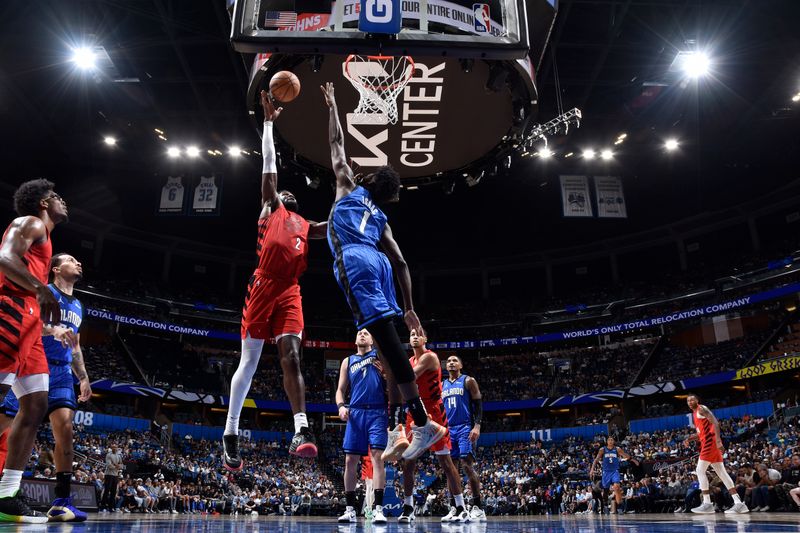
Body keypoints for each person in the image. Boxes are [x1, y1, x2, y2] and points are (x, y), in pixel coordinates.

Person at [320, 82, 445, 462]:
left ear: (370, 181)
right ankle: (400, 426)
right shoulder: (383, 218)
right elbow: (402, 262)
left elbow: (337, 146)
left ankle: (421, 422)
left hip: (356, 263)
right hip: (379, 264)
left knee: (388, 346)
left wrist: (332, 105)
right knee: (387, 347)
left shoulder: (347, 187)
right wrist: (408, 306)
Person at [223, 90, 328, 468]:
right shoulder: (272, 208)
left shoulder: (308, 227)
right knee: (249, 361)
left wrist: (361, 200)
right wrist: (269, 123)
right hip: (263, 285)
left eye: (288, 192)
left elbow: (338, 225)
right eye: (281, 189)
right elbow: (269, 166)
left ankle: (301, 428)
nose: (284, 191)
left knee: (293, 357)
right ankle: (230, 430)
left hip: (290, 291)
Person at [0, 253, 89, 521]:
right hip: (33, 362)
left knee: (65, 428)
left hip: (62, 371)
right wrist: (52, 330)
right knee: (5, 421)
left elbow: (75, 344)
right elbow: (26, 323)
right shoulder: (43, 291)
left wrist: (82, 376)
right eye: (73, 260)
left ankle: (61, 501)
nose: (79, 263)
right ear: (55, 269)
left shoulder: (79, 306)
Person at [0, 179, 66, 523]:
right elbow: (4, 257)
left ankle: (6, 493)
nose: (63, 201)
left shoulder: (46, 236)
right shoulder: (31, 222)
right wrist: (41, 288)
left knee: (37, 403)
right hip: (9, 310)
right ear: (43, 201)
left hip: (29, 324)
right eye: (57, 196)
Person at [398, 329, 470, 523]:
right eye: (411, 334)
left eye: (418, 334)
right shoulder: (409, 361)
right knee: (408, 461)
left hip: (435, 410)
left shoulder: (430, 357)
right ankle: (408, 508)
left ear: (425, 339)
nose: (414, 336)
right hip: (414, 410)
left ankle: (461, 508)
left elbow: (409, 376)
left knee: (446, 462)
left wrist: (389, 368)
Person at [335, 329, 388, 524]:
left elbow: (392, 380)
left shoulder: (379, 355)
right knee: (350, 460)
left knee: (377, 458)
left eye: (366, 333)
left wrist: (385, 372)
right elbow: (340, 390)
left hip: (377, 411)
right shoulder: (347, 361)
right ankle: (350, 510)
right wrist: (341, 407)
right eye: (359, 333)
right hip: (355, 412)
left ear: (372, 339)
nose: (362, 335)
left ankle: (378, 509)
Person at [684, 393, 749, 514]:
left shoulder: (702, 408)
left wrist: (718, 441)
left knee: (699, 470)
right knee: (722, 473)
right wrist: (689, 439)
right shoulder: (695, 414)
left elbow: (715, 422)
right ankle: (739, 503)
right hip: (708, 442)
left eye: (692, 400)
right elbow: (701, 434)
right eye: (688, 401)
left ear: (697, 400)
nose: (690, 402)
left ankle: (707, 504)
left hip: (711, 443)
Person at [442, 355, 486, 521]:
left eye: (454, 360)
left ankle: (477, 506)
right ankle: (455, 507)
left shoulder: (468, 380)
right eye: (449, 361)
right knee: (450, 470)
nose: (451, 362)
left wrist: (477, 426)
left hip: (465, 427)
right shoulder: (442, 385)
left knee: (467, 465)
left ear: (460, 364)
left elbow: (479, 404)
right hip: (448, 429)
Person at [589, 436, 638, 514]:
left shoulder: (617, 449)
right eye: (609, 440)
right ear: (607, 442)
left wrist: (633, 460)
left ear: (614, 441)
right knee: (605, 490)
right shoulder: (602, 449)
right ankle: (605, 504)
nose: (611, 441)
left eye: (612, 440)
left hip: (615, 471)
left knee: (617, 487)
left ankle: (620, 507)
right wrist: (592, 470)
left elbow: (625, 455)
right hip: (606, 472)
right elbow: (596, 460)